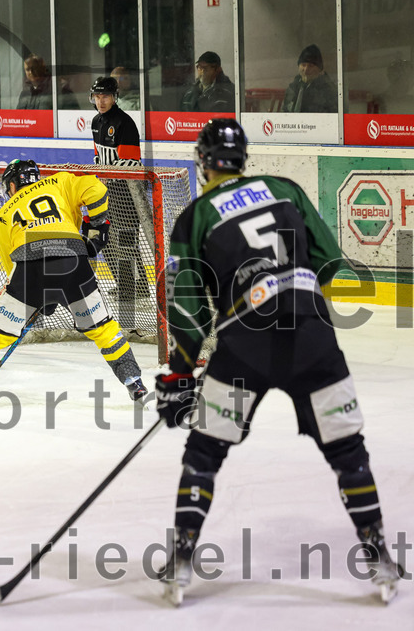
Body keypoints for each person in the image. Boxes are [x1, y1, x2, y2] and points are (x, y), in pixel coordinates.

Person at [154, 119, 404, 605]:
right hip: (312, 338)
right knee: (347, 450)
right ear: (243, 158)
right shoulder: (284, 188)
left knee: (204, 453)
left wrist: (180, 375)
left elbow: (187, 312)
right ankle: (379, 557)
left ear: (203, 161)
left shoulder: (195, 216)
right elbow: (330, 262)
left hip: (242, 348)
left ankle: (183, 559)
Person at [0, 159, 147, 413]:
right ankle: (134, 382)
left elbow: (11, 270)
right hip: (73, 261)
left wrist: (35, 301)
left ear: (13, 185)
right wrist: (97, 225)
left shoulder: (3, 216)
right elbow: (97, 190)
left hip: (29, 270)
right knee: (103, 329)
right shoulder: (59, 182)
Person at [89, 76, 150, 322]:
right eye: (97, 96)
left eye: (105, 96)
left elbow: (130, 164)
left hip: (127, 192)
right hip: (108, 191)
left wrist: (109, 179)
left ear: (114, 97)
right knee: (105, 239)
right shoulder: (95, 121)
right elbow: (98, 156)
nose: (100, 101)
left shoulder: (125, 123)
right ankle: (125, 283)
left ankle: (137, 286)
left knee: (126, 239)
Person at [282, 44, 338, 113]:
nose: (306, 69)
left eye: (311, 66)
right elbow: (285, 111)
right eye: (303, 65)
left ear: (319, 69)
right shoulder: (292, 88)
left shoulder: (327, 90)